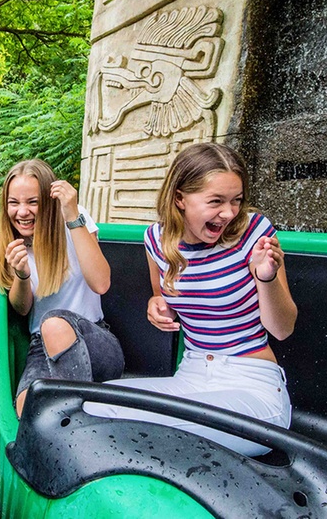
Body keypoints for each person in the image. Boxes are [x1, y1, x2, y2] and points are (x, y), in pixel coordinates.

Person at [84, 142, 297, 457]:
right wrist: (156, 306)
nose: (229, 213)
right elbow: (163, 299)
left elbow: (282, 328)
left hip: (252, 387)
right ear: (180, 198)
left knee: (156, 423)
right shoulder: (156, 241)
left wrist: (266, 277)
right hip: (190, 377)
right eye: (216, 201)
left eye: (236, 201)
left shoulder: (255, 232)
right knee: (92, 406)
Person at [0, 159, 124, 418]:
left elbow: (101, 283)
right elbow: (22, 308)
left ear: (49, 202)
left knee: (54, 322)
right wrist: (21, 274)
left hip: (94, 340)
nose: (22, 212)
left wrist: (73, 216)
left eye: (32, 202)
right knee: (27, 407)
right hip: (41, 348)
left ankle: (81, 421)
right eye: (14, 203)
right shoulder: (12, 243)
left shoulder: (74, 220)